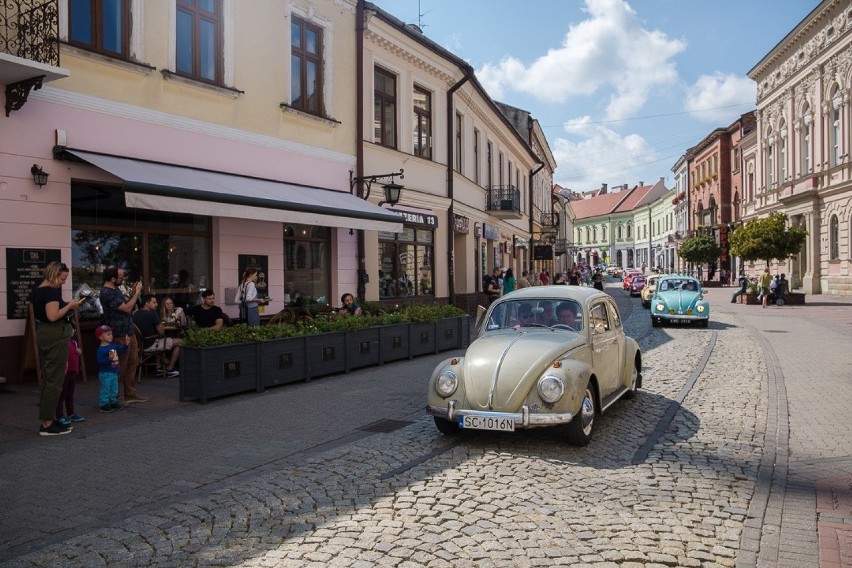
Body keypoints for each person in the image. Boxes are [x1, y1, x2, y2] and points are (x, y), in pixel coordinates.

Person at [32, 262, 82, 436]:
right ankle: (47, 424)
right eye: (62, 278)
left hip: (45, 334)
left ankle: (48, 420)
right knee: (54, 381)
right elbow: (52, 316)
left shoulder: (38, 289)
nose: (63, 282)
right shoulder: (51, 291)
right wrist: (69, 306)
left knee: (49, 379)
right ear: (53, 274)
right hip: (54, 336)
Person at [100, 266, 148, 404]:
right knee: (120, 365)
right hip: (118, 333)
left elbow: (126, 304)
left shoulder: (115, 289)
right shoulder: (107, 292)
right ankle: (117, 397)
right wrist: (136, 293)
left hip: (128, 330)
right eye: (120, 277)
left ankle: (130, 393)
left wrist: (133, 294)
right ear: (113, 278)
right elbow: (127, 308)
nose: (122, 279)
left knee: (133, 361)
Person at [133, 294, 182, 377]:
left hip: (140, 345)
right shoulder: (152, 314)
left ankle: (158, 367)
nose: (156, 304)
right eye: (154, 302)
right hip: (150, 344)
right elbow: (162, 332)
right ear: (146, 303)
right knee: (181, 342)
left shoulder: (136, 314)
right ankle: (170, 368)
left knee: (159, 340)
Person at [94, 325, 128, 413]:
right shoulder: (101, 349)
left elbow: (122, 350)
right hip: (105, 373)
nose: (111, 336)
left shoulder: (113, 345)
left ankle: (113, 401)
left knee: (114, 388)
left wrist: (126, 345)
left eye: (111, 334)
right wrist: (108, 359)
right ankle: (103, 404)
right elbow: (100, 361)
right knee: (106, 389)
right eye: (108, 334)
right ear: (101, 337)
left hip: (114, 371)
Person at [55, 334, 85, 427]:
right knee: (61, 394)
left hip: (72, 370)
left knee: (70, 394)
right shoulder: (59, 342)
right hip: (63, 372)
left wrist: (79, 352)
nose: (72, 331)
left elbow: (76, 353)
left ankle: (71, 413)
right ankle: (59, 416)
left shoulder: (73, 342)